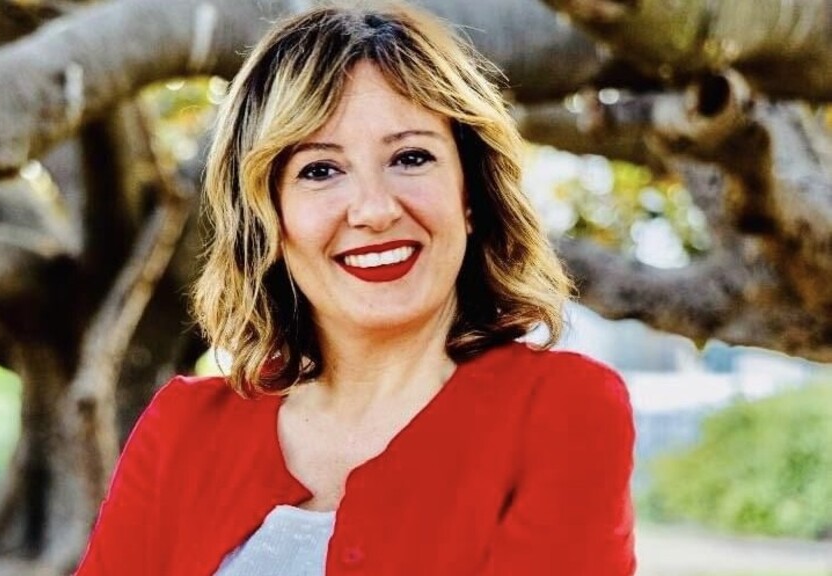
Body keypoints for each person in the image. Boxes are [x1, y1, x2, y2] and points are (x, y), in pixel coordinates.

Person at [76, 2, 636, 574]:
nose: (374, 209)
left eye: (411, 157)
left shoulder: (560, 413)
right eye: (320, 170)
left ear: (470, 195)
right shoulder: (184, 430)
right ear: (267, 215)